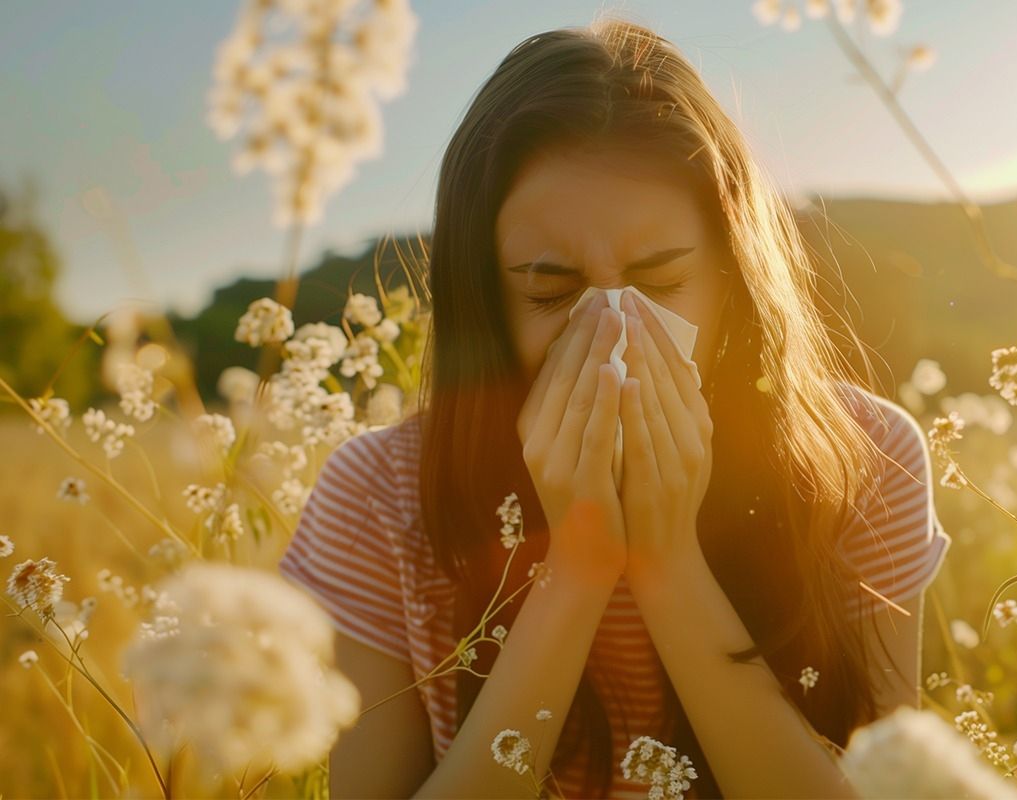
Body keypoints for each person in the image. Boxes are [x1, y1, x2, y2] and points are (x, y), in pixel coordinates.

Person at [278, 15, 950, 799]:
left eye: (661, 282)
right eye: (552, 291)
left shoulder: (860, 458)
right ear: (487, 304)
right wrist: (580, 564)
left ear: (731, 276)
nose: (615, 334)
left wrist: (668, 566)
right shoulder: (379, 495)